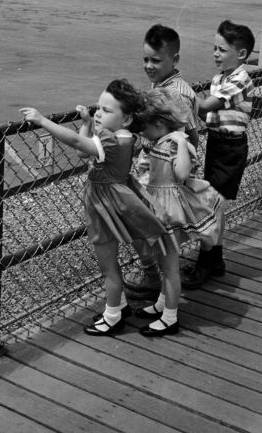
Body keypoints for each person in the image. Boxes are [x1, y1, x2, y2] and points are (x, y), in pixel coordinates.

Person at [19, 79, 168, 337]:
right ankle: (119, 305)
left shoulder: (110, 142)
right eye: (99, 108)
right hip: (117, 199)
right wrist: (88, 123)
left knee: (108, 265)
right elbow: (84, 152)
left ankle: (113, 314)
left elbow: (77, 145)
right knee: (112, 259)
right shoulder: (125, 137)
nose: (99, 113)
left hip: (104, 205)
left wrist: (43, 121)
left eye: (107, 111)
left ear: (127, 119)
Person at [135, 87, 221, 337]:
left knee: (170, 266)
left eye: (144, 126)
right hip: (158, 204)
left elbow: (182, 173)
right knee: (164, 261)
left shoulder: (174, 143)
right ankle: (163, 304)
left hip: (168, 210)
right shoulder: (159, 141)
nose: (141, 131)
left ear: (160, 123)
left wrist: (182, 143)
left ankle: (170, 317)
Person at [123, 23, 200, 301]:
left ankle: (155, 279)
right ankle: (156, 278)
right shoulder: (163, 85)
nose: (149, 66)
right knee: (144, 226)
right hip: (153, 171)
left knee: (145, 227)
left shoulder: (177, 93)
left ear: (174, 59)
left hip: (161, 178)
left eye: (156, 60)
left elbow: (191, 137)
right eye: (145, 59)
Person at [181, 19, 255, 289]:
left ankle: (204, 263)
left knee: (211, 205)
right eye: (215, 48)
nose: (215, 54)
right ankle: (216, 260)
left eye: (222, 50)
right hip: (217, 143)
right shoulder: (220, 78)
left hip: (230, 148)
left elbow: (205, 107)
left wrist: (179, 89)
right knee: (216, 206)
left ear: (242, 54)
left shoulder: (240, 78)